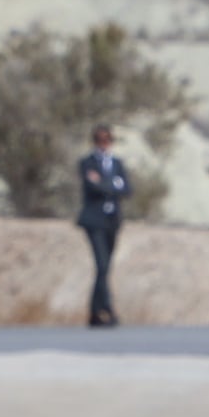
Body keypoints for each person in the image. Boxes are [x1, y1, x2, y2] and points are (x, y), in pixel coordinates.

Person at [75, 125, 129, 327]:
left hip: (112, 220)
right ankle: (106, 308)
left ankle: (95, 312)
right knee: (102, 264)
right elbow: (92, 187)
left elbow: (127, 189)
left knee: (106, 267)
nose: (104, 143)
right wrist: (113, 185)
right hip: (94, 220)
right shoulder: (87, 163)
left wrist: (106, 184)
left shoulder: (117, 163)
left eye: (107, 139)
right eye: (100, 139)